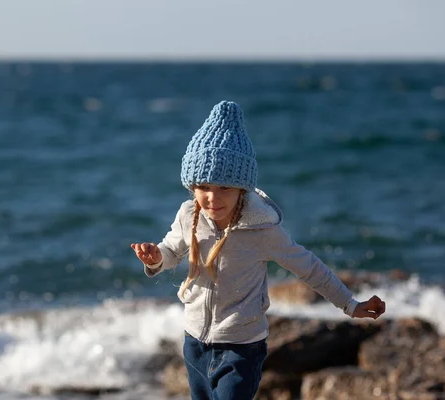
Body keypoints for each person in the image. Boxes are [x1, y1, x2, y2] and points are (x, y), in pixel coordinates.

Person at [130, 100, 386, 400]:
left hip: (242, 347)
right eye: (204, 186)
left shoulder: (262, 229)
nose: (212, 197)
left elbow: (310, 268)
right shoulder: (189, 215)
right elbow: (172, 250)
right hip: (194, 343)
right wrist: (157, 258)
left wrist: (350, 304)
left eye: (224, 187)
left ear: (242, 188)